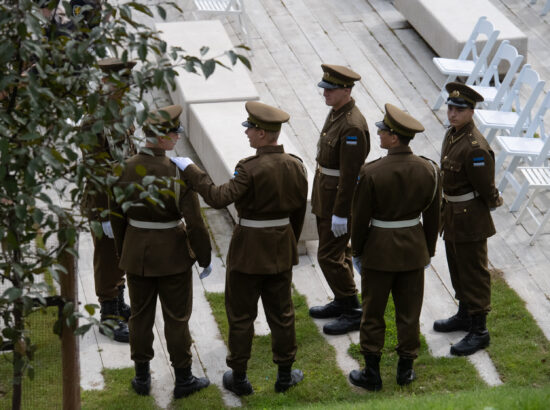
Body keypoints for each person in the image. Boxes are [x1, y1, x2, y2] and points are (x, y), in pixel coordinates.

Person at [171, 101, 308, 396]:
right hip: (281, 249)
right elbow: (297, 213)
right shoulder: (297, 166)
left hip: (248, 252)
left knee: (242, 315)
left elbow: (219, 197)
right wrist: (286, 241)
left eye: (250, 129)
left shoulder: (249, 168)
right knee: (282, 313)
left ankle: (240, 378)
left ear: (262, 133)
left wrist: (192, 171)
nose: (247, 134)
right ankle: (285, 375)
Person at [110, 104, 212, 398]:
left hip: (136, 254)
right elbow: (195, 223)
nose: (178, 137)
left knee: (140, 316)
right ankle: (183, 379)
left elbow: (116, 218)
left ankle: (142, 378)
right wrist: (203, 257)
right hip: (173, 256)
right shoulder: (177, 172)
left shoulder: (122, 169)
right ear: (162, 137)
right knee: (177, 318)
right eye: (175, 133)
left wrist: (123, 252)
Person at [348, 104, 440, 391]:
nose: (378, 133)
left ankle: (372, 373)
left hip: (378, 252)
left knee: (372, 313)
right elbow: (434, 216)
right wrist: (428, 250)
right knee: (409, 313)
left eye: (383, 130)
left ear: (394, 137)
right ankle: (405, 370)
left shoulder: (372, 172)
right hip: (414, 251)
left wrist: (358, 250)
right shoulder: (429, 170)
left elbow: (360, 218)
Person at [433, 82, 502, 356]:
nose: (452, 114)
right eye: (450, 108)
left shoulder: (475, 147)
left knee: (473, 272)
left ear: (471, 112)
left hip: (470, 218)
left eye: (459, 110)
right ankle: (464, 314)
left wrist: (494, 202)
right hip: (452, 215)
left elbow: (486, 187)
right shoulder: (453, 135)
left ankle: (479, 330)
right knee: (457, 267)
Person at [309, 64, 370, 335]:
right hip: (326, 193)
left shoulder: (352, 126)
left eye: (331, 90)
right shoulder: (337, 114)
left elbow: (350, 175)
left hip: (338, 199)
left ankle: (353, 309)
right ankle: (343, 300)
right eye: (325, 89)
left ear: (346, 90)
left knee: (328, 256)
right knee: (337, 253)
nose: (325, 94)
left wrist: (341, 213)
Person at [81, 57, 138, 343]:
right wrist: (104, 213)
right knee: (107, 258)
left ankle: (119, 303)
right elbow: (95, 168)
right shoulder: (94, 119)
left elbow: (129, 148)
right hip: (103, 200)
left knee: (120, 254)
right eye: (120, 85)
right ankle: (109, 316)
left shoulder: (123, 111)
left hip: (123, 197)